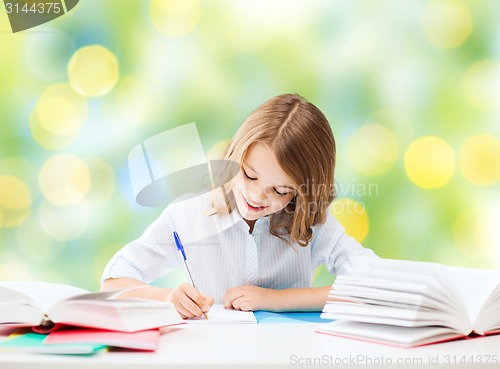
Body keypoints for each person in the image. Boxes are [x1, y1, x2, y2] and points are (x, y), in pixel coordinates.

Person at [101, 93, 377, 319]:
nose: (257, 196)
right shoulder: (189, 214)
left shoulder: (311, 222)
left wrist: (274, 299)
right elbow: (113, 282)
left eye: (280, 190)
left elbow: (374, 285)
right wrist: (167, 297)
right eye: (248, 175)